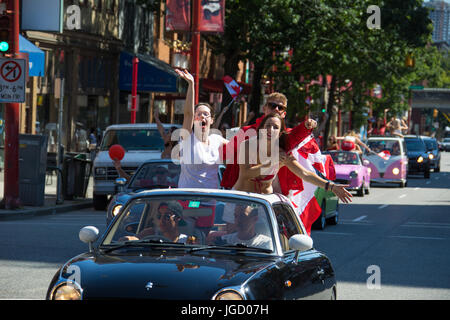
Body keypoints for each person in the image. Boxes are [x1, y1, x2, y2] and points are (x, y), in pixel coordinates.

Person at [233, 113, 353, 204]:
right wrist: (272, 162)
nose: (270, 129)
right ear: (261, 129)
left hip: (264, 203)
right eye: (268, 126)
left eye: (275, 127)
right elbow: (246, 174)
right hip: (242, 200)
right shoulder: (248, 145)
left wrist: (331, 186)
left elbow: (305, 174)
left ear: (280, 133)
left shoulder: (282, 154)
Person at [220, 92, 317, 196]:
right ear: (264, 108)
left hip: (274, 190)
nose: (276, 109)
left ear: (284, 113)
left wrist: (305, 126)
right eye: (272, 105)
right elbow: (225, 154)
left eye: (280, 108)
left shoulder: (283, 135)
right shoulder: (246, 131)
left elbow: (294, 135)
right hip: (244, 191)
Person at [175, 69, 228, 189]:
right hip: (188, 199)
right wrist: (191, 84)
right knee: (195, 207)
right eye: (198, 114)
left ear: (212, 120)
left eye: (205, 114)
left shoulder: (217, 139)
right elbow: (188, 113)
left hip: (211, 200)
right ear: (194, 119)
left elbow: (238, 147)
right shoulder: (187, 138)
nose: (202, 116)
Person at [121, 201, 188, 243]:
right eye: (159, 216)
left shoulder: (186, 241)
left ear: (178, 218)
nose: (161, 220)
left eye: (167, 216)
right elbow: (136, 238)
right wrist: (126, 239)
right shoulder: (150, 233)